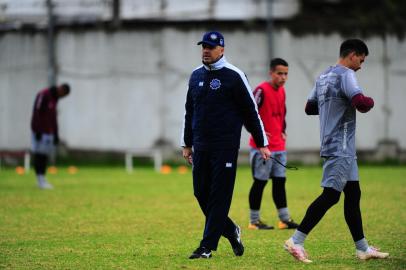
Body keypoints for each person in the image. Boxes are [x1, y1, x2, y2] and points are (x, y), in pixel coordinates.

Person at [284, 39, 389, 263]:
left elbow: (309, 108)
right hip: (341, 145)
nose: (361, 65)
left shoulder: (323, 76)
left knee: (353, 195)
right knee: (330, 196)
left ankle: (363, 249)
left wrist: (332, 107)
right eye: (361, 60)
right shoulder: (346, 75)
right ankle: (296, 240)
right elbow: (360, 102)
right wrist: (370, 101)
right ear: (352, 55)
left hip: (337, 145)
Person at [181, 31, 271, 259]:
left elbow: (251, 112)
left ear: (222, 50)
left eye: (210, 47)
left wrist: (262, 143)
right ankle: (231, 230)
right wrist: (187, 143)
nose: (206, 51)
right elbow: (190, 111)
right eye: (203, 47)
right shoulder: (194, 76)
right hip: (201, 146)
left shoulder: (234, 75)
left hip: (225, 147)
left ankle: (206, 247)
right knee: (201, 193)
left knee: (219, 196)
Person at [247, 58, 299, 230]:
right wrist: (258, 134)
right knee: (260, 182)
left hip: (279, 146)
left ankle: (284, 219)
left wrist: (283, 129)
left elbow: (282, 113)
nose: (283, 77)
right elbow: (248, 112)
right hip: (262, 147)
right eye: (279, 73)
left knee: (279, 182)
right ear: (271, 73)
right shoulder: (261, 90)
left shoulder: (282, 91)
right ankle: (254, 221)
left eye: (286, 74)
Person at [31, 83, 70, 189]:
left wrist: (56, 133)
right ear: (61, 89)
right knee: (39, 155)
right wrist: (37, 130)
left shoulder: (55, 98)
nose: (62, 97)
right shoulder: (44, 94)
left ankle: (42, 178)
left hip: (49, 133)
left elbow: (53, 117)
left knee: (44, 155)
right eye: (63, 94)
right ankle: (39, 179)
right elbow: (37, 112)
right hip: (39, 131)